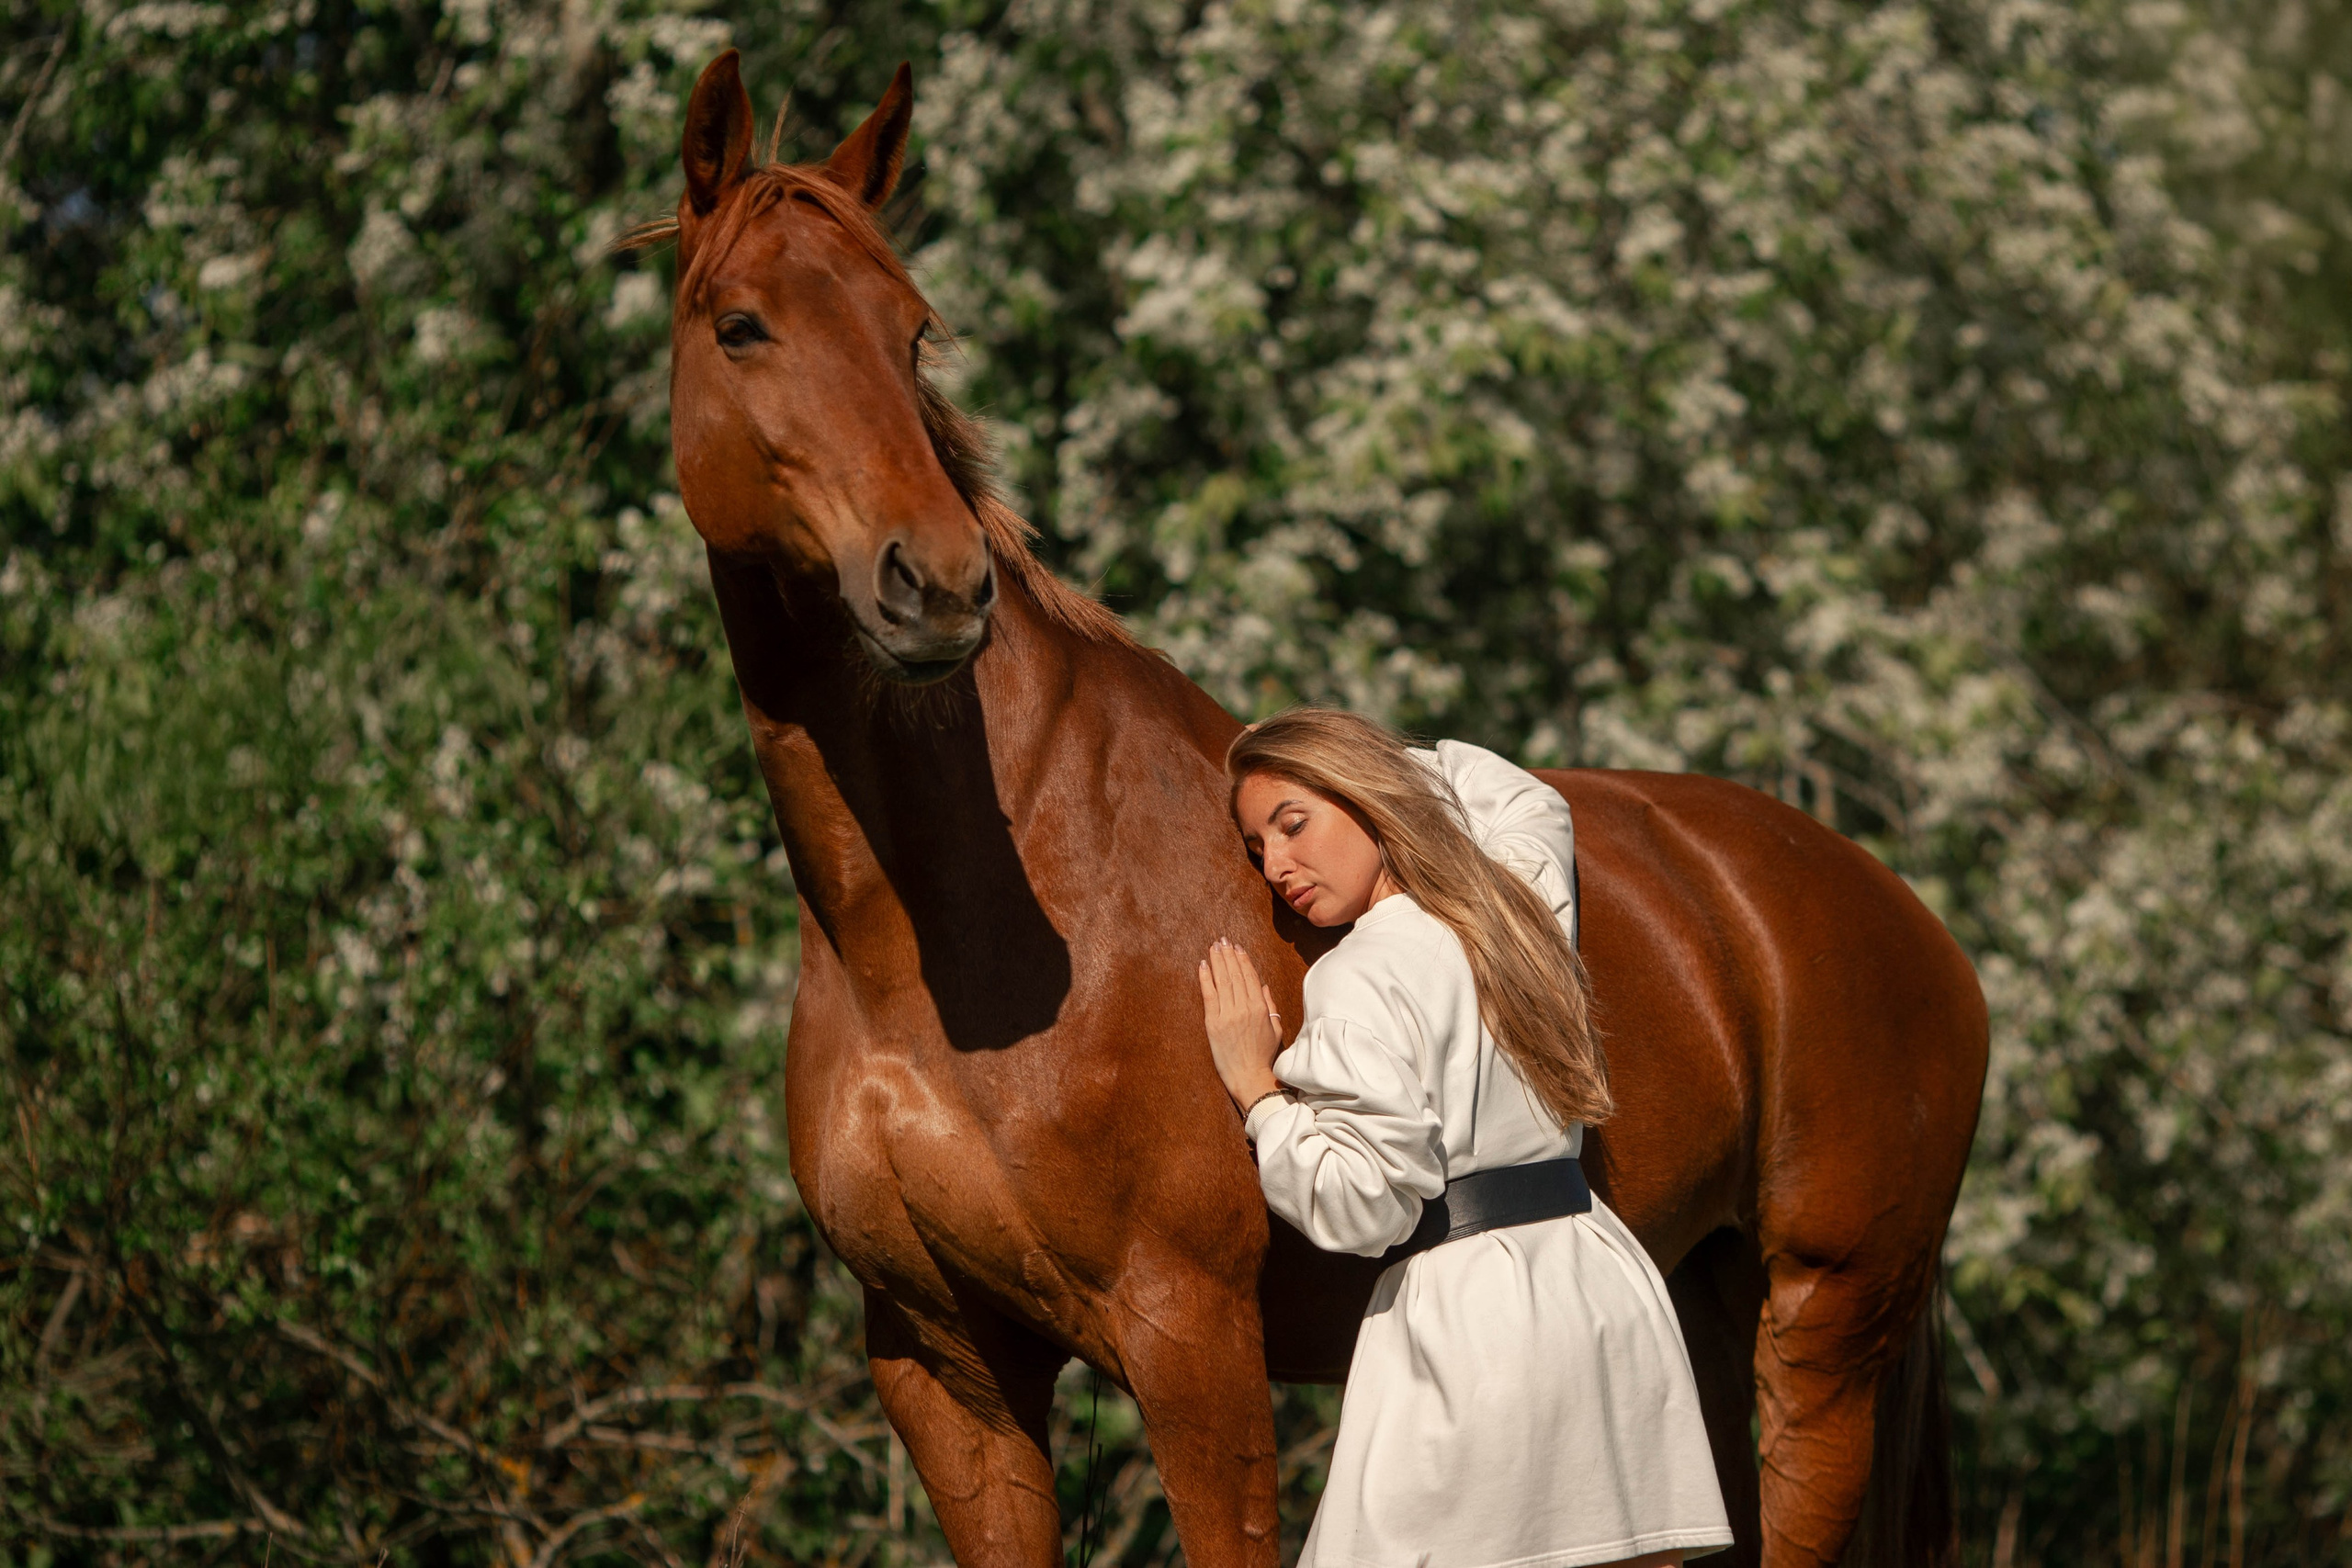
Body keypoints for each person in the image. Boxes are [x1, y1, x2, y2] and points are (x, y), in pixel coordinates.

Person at [1198, 708, 1733, 1568]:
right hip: (1601, 1286)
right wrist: (1384, 768)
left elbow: (1364, 1203)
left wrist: (1257, 1088)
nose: (1279, 868)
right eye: (1259, 851)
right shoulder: (1520, 905)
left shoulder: (1358, 973)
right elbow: (1522, 797)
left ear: (1371, 796)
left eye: (1295, 823)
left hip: (1470, 1329)